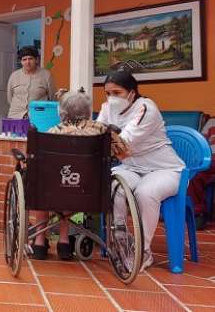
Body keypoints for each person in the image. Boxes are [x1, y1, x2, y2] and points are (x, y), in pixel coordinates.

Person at [97, 69, 185, 272]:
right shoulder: (106, 108)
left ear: (132, 93)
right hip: (132, 167)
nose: (112, 98)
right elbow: (99, 134)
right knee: (113, 186)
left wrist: (106, 137)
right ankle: (120, 243)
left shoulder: (146, 108)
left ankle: (143, 252)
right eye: (108, 93)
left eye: (117, 93)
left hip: (165, 169)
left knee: (145, 193)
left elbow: (123, 144)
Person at [33, 89, 109, 260]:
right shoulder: (102, 131)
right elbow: (124, 152)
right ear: (88, 111)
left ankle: (39, 241)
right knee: (73, 183)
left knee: (44, 181)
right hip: (89, 191)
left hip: (55, 190)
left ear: (62, 112)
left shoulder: (51, 133)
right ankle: (64, 240)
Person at [7, 46, 55, 119]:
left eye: (30, 59)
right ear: (21, 62)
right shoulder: (14, 76)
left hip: (39, 116)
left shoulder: (46, 75)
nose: (27, 62)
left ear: (36, 60)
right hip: (15, 116)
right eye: (24, 59)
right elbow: (9, 97)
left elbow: (53, 97)